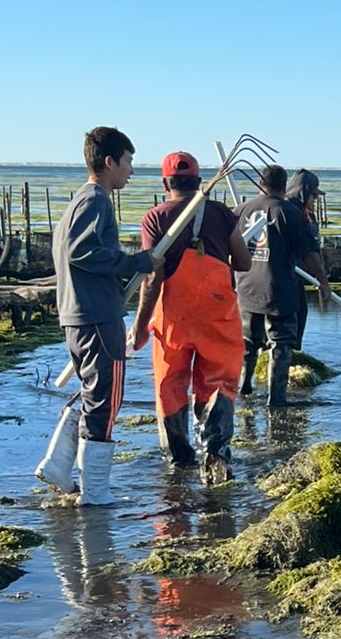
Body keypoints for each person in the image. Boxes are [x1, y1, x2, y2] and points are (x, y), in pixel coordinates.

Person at [48, 126, 160, 505]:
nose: (131, 170)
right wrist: (135, 262)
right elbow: (81, 251)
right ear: (109, 161)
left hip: (79, 315)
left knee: (91, 393)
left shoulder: (79, 202)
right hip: (96, 315)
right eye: (128, 161)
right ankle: (95, 493)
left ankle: (58, 464)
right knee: (106, 399)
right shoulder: (96, 201)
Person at [129, 151, 252, 483]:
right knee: (219, 383)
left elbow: (153, 277)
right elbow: (243, 263)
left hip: (173, 316)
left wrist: (139, 327)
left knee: (170, 384)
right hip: (218, 314)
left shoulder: (155, 218)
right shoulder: (221, 214)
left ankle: (178, 466)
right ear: (198, 182)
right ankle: (215, 456)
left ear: (165, 183)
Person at [235, 164, 330, 407]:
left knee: (248, 343)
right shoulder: (291, 214)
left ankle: (244, 391)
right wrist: (323, 282)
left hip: (245, 289)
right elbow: (310, 255)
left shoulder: (241, 210)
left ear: (261, 183)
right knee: (281, 344)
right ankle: (276, 400)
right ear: (284, 185)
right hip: (277, 291)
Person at [285, 168, 328, 349]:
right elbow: (307, 252)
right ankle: (287, 358)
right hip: (286, 278)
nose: (315, 199)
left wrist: (319, 274)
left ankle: (292, 355)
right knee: (291, 323)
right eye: (314, 195)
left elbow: (313, 248)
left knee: (300, 316)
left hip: (299, 277)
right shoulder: (290, 212)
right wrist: (323, 281)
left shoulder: (306, 214)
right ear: (304, 192)